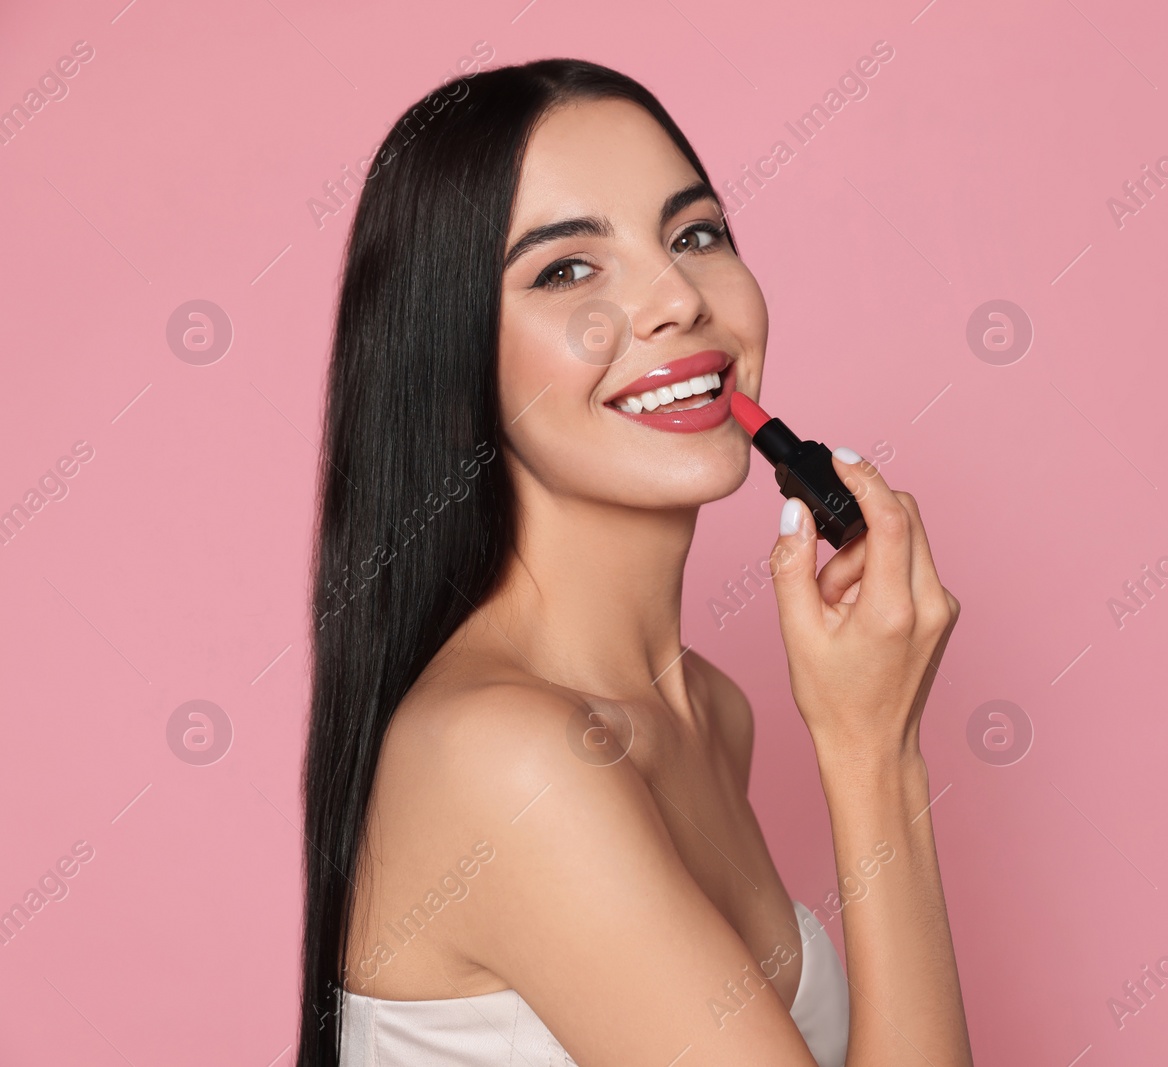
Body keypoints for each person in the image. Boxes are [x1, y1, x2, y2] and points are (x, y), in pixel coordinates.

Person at [297, 57, 973, 1067]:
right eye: (567, 267)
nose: (675, 299)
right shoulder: (507, 755)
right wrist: (874, 752)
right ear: (452, 361)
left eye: (695, 234)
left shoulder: (711, 712)